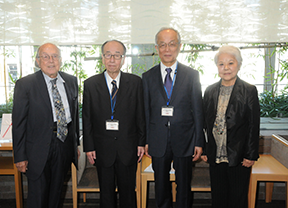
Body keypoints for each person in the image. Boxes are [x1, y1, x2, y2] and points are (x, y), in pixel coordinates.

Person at [142, 27, 204, 208]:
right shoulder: (147, 77)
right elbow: (145, 111)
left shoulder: (192, 75)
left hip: (184, 140)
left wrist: (199, 141)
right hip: (157, 139)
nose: (167, 49)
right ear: (157, 48)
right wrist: (146, 140)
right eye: (163, 45)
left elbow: (197, 110)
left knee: (184, 185)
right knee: (160, 186)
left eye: (172, 44)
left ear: (179, 46)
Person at [12, 43, 80, 208]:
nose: (51, 60)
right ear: (37, 61)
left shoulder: (70, 81)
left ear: (60, 60)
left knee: (56, 193)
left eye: (55, 56)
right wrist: (20, 156)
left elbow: (74, 115)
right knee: (38, 197)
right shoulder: (25, 85)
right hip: (38, 148)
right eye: (45, 56)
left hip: (63, 144)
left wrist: (75, 144)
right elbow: (19, 122)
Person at [82, 40, 146, 208]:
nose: (112, 59)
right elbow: (87, 118)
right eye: (108, 55)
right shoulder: (90, 84)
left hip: (128, 147)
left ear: (123, 59)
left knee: (128, 194)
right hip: (102, 149)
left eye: (117, 55)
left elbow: (141, 115)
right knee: (106, 194)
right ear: (102, 58)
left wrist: (141, 142)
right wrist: (89, 147)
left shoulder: (135, 82)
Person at [201, 45, 260, 208]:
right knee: (218, 197)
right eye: (221, 64)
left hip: (239, 155)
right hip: (216, 153)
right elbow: (204, 123)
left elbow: (254, 125)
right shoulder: (210, 90)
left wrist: (250, 154)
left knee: (237, 198)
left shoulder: (249, 90)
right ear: (217, 67)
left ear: (239, 65)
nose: (226, 68)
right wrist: (206, 149)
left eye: (231, 63)